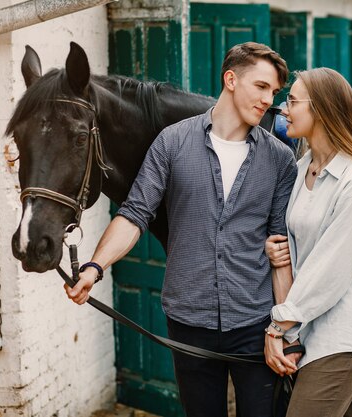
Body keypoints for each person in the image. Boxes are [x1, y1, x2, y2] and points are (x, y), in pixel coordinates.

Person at [65, 42, 298, 417]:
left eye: (274, 92)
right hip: (190, 320)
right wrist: (95, 267)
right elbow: (135, 212)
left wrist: (284, 330)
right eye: (261, 86)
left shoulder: (280, 158)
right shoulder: (172, 142)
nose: (268, 100)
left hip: (256, 322)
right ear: (231, 79)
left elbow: (280, 250)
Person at [262, 67, 352, 417]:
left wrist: (279, 326)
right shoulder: (304, 165)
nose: (283, 109)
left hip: (340, 333)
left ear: (320, 109)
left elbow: (330, 269)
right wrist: (279, 253)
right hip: (309, 328)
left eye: (292, 101)